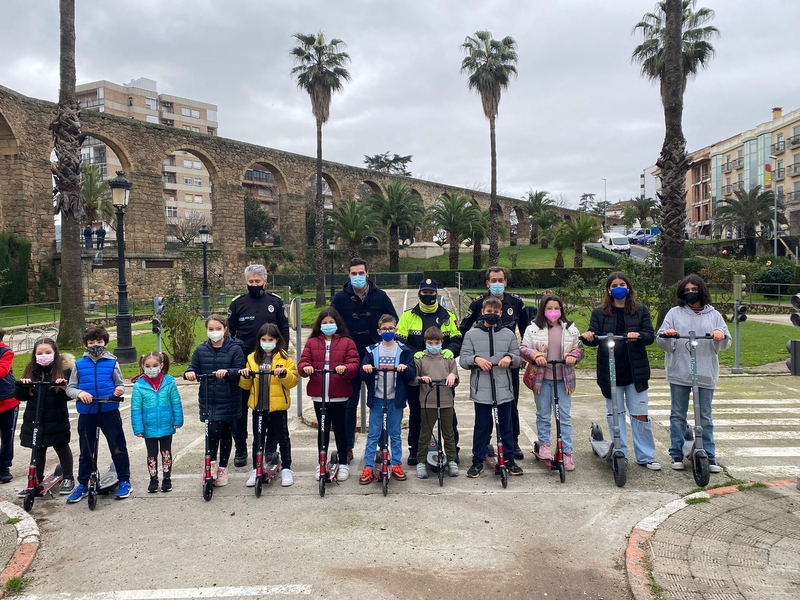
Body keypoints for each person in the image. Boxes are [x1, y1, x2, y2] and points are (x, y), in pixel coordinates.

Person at [580, 272, 660, 470]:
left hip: (635, 371)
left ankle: (645, 455)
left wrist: (639, 335)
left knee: (640, 414)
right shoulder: (600, 312)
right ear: (608, 290)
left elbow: (650, 336)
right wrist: (589, 337)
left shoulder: (640, 311)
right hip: (610, 370)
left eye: (622, 284)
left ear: (628, 287)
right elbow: (594, 337)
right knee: (615, 412)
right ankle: (620, 452)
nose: (618, 288)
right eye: (614, 285)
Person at [657, 274, 731, 473]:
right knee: (678, 415)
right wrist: (668, 335)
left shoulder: (714, 315)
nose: (691, 293)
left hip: (705, 372)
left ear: (701, 290)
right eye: (687, 290)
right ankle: (676, 454)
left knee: (705, 416)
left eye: (694, 290)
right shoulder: (674, 313)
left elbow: (726, 341)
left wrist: (719, 336)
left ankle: (710, 455)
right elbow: (662, 341)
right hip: (679, 372)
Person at [459, 266, 531, 459]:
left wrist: (522, 354)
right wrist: (469, 356)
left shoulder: (516, 302)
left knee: (510, 403)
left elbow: (526, 330)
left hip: (507, 364)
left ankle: (512, 443)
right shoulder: (477, 304)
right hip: (483, 365)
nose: (497, 284)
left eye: (501, 280)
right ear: (487, 283)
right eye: (493, 280)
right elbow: (463, 329)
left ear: (506, 282)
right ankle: (484, 444)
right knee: (484, 408)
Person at [331, 258, 398, 462]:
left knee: (380, 402)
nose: (357, 277)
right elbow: (330, 323)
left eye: (361, 273)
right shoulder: (340, 299)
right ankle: (348, 446)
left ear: (367, 273)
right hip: (349, 358)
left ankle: (382, 445)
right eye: (353, 274)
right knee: (349, 405)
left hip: (377, 358)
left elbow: (393, 321)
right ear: (348, 275)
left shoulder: (381, 297)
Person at [228, 264, 289, 468]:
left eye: (258, 281)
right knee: (241, 407)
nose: (254, 285)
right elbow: (231, 333)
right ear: (246, 282)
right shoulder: (238, 304)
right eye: (251, 282)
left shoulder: (275, 302)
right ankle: (241, 448)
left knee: (268, 405)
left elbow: (284, 330)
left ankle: (270, 447)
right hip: (245, 363)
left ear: (265, 281)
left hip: (270, 362)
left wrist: (282, 354)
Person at [396, 278, 461, 465]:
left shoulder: (448, 316)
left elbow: (457, 339)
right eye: (424, 292)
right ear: (419, 293)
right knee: (417, 415)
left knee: (449, 417)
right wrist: (414, 353)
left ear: (436, 293)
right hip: (419, 373)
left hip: (442, 374)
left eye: (431, 293)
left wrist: (452, 350)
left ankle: (452, 451)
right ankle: (416, 451)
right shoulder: (408, 316)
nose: (428, 296)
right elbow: (400, 342)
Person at [65, 325, 130, 502]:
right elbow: (70, 388)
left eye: (99, 342)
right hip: (88, 412)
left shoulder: (112, 362)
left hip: (109, 410)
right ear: (86, 344)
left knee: (117, 446)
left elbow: (120, 384)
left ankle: (124, 480)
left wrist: (118, 390)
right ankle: (83, 483)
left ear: (105, 343)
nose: (96, 345)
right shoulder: (79, 364)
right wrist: (80, 393)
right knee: (86, 450)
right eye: (92, 342)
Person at [460, 297, 522, 477]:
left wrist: (509, 358)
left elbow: (518, 358)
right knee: (481, 426)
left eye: (496, 312)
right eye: (489, 312)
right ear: (482, 312)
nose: (492, 315)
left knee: (506, 426)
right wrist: (476, 360)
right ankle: (477, 460)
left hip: (504, 388)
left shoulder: (509, 334)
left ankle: (509, 459)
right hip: (482, 390)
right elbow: (464, 360)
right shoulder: (471, 335)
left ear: (501, 313)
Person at [520, 294, 583, 471]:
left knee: (564, 416)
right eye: (549, 308)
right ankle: (544, 445)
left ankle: (567, 452)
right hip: (542, 379)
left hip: (563, 379)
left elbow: (579, 349)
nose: (553, 312)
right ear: (543, 310)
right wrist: (535, 355)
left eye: (557, 308)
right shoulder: (533, 329)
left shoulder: (570, 329)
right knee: (543, 414)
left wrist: (573, 357)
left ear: (561, 310)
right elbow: (523, 348)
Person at [298, 308, 360, 482]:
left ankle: (343, 462)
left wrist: (345, 369)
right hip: (319, 393)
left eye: (331, 322)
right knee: (323, 429)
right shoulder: (312, 343)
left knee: (340, 428)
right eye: (324, 323)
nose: (328, 326)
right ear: (319, 325)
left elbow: (354, 363)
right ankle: (322, 461)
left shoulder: (347, 342)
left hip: (339, 393)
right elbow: (303, 362)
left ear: (337, 323)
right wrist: (305, 368)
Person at [185, 315, 244, 487]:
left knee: (226, 433)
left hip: (229, 397)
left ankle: (223, 467)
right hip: (209, 398)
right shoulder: (201, 349)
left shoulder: (235, 348)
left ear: (225, 328)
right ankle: (211, 463)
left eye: (218, 329)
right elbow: (192, 367)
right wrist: (190, 373)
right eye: (211, 329)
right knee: (212, 431)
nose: (214, 332)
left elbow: (239, 369)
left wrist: (228, 371)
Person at [358, 314, 416, 484]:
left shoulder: (403, 351)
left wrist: (405, 369)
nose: (388, 331)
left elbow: (412, 373)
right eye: (384, 329)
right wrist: (366, 368)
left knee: (395, 434)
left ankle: (397, 463)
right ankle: (368, 466)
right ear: (379, 331)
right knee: (374, 434)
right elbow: (362, 373)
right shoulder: (372, 350)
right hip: (377, 398)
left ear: (396, 330)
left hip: (395, 399)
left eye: (391, 328)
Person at [239, 323, 298, 487]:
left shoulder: (284, 358)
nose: (266, 342)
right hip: (258, 406)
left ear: (277, 340)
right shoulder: (252, 358)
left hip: (278, 406)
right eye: (263, 339)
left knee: (283, 437)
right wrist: (245, 375)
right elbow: (245, 385)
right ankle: (255, 468)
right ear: (259, 341)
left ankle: (287, 468)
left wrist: (284, 374)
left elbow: (293, 381)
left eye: (270, 339)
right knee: (257, 439)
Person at [14, 338, 74, 494]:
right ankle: (36, 479)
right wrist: (23, 385)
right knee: (38, 449)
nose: (44, 356)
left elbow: (68, 395)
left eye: (48, 353)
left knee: (61, 445)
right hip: (35, 418)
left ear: (55, 353)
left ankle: (68, 476)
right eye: (40, 353)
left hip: (56, 418)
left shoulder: (63, 371)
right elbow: (21, 396)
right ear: (35, 355)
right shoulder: (32, 370)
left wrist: (63, 387)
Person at [131, 351, 184, 493]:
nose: (151, 369)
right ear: (142, 367)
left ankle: (167, 478)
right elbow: (136, 409)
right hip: (149, 427)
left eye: (155, 365)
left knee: (166, 453)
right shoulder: (139, 385)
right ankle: (153, 479)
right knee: (151, 454)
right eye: (147, 366)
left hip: (166, 424)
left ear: (161, 365)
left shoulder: (169, 382)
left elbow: (176, 402)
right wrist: (138, 428)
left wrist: (178, 420)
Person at [410, 326, 459, 479]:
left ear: (441, 342)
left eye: (436, 342)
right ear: (425, 342)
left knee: (448, 433)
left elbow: (456, 378)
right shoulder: (420, 359)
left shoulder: (448, 359)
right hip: (427, 402)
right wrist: (421, 379)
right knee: (425, 432)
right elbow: (412, 380)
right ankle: (420, 461)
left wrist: (452, 376)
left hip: (446, 401)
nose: (433, 345)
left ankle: (451, 459)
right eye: (430, 343)